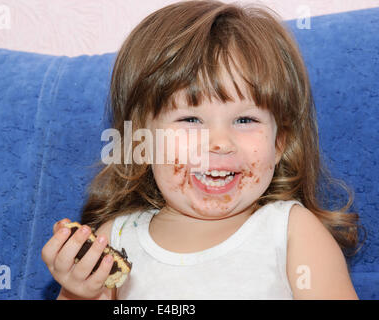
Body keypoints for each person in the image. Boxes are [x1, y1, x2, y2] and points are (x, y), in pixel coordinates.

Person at [42, 0, 363, 300]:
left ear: (280, 143)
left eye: (245, 119)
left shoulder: (292, 232)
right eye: (191, 119)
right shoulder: (116, 239)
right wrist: (76, 292)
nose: (219, 142)